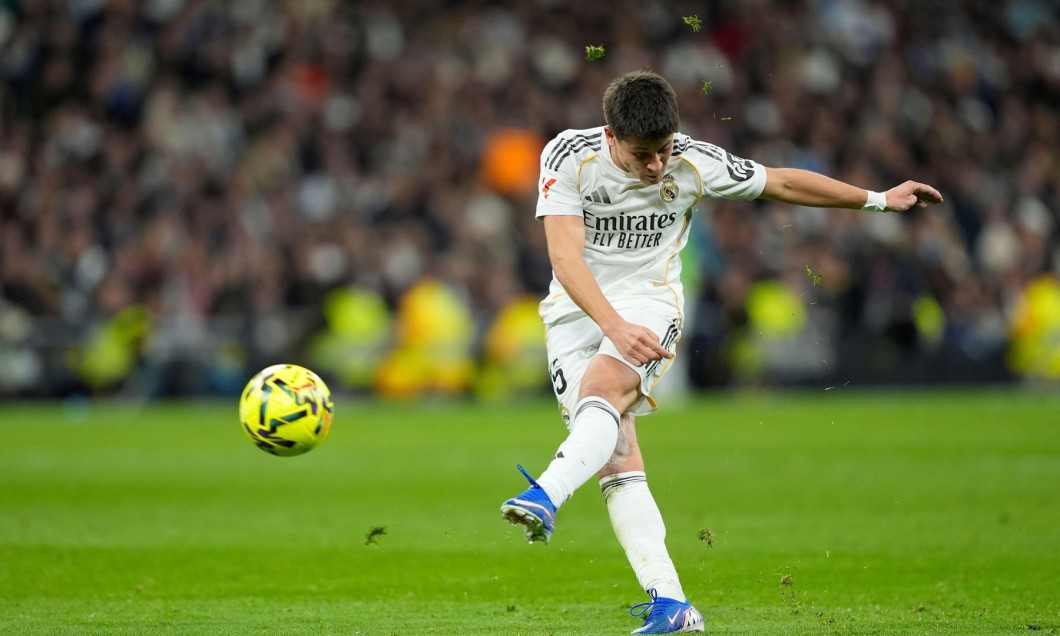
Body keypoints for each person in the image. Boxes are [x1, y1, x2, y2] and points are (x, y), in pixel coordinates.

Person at [500, 70, 943, 634]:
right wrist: (609, 325)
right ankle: (672, 606)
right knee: (614, 457)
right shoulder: (569, 156)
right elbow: (565, 259)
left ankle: (546, 491)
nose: (658, 165)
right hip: (573, 312)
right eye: (643, 154)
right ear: (611, 136)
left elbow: (780, 183)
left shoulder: (693, 161)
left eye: (664, 150)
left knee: (602, 394)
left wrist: (879, 199)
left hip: (649, 303)